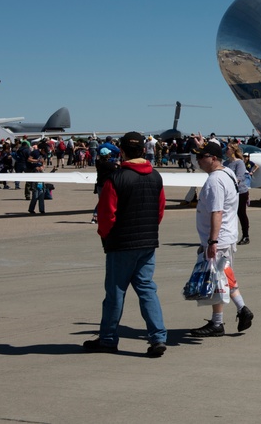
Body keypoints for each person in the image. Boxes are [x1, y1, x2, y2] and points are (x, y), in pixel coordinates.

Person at [83, 132, 168, 357]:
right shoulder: (156, 176)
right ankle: (158, 337)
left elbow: (106, 214)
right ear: (143, 150)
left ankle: (109, 338)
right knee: (147, 289)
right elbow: (159, 210)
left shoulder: (116, 177)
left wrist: (105, 236)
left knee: (115, 293)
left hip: (121, 244)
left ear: (122, 151)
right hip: (147, 242)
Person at [190, 141, 254, 337]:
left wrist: (212, 241)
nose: (198, 160)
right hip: (227, 236)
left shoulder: (215, 180)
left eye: (202, 157)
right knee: (224, 276)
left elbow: (217, 211)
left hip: (220, 239)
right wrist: (207, 145)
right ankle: (242, 309)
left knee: (216, 281)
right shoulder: (227, 172)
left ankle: (218, 323)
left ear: (214, 158)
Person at [225, 142, 252, 245]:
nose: (226, 150)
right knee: (228, 214)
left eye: (227, 148)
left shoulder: (239, 163)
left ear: (233, 150)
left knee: (241, 214)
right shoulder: (225, 163)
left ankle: (246, 236)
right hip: (229, 193)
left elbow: (239, 177)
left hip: (240, 192)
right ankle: (228, 236)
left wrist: (229, 182)